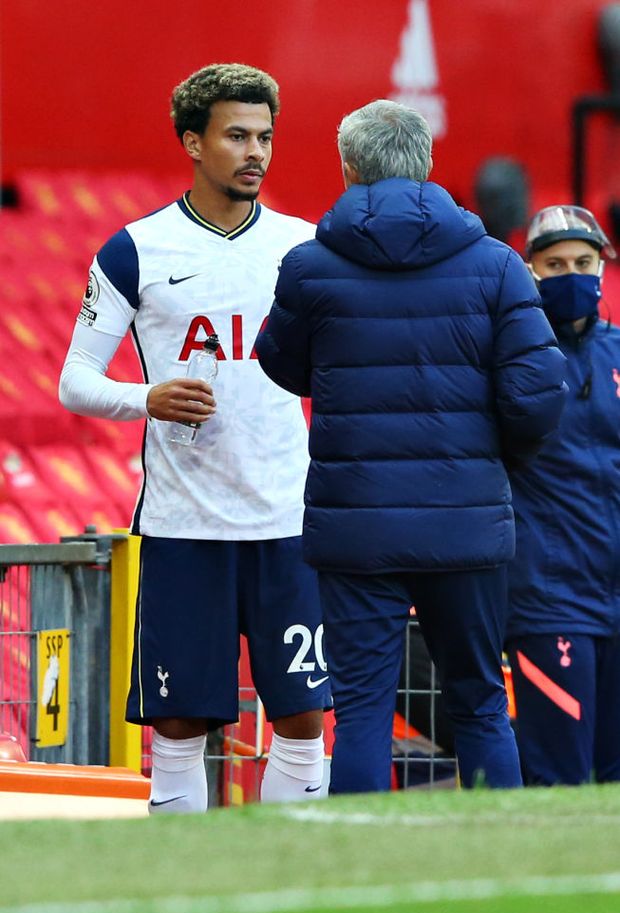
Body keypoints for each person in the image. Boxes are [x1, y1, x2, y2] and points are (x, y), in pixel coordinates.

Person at [256, 99, 567, 794]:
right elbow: (540, 394)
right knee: (481, 700)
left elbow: (279, 363)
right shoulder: (496, 265)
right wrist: (493, 462)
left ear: (349, 168)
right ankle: (499, 872)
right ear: (426, 165)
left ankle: (364, 879)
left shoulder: (308, 266)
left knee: (362, 708)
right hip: (467, 518)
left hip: (356, 522)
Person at [59, 63, 331, 813]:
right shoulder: (135, 251)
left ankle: (289, 892)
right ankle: (184, 889)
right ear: (192, 141)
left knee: (303, 723)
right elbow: (75, 380)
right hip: (185, 527)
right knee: (179, 730)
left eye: (266, 137)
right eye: (237, 135)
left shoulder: (306, 248)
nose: (256, 153)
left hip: (288, 523)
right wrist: (147, 396)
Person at [504, 204, 620, 786]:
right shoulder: (509, 358)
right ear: (530, 270)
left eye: (583, 261)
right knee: (561, 780)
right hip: (549, 600)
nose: (571, 274)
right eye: (555, 264)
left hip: (615, 596)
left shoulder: (619, 352)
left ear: (604, 266)